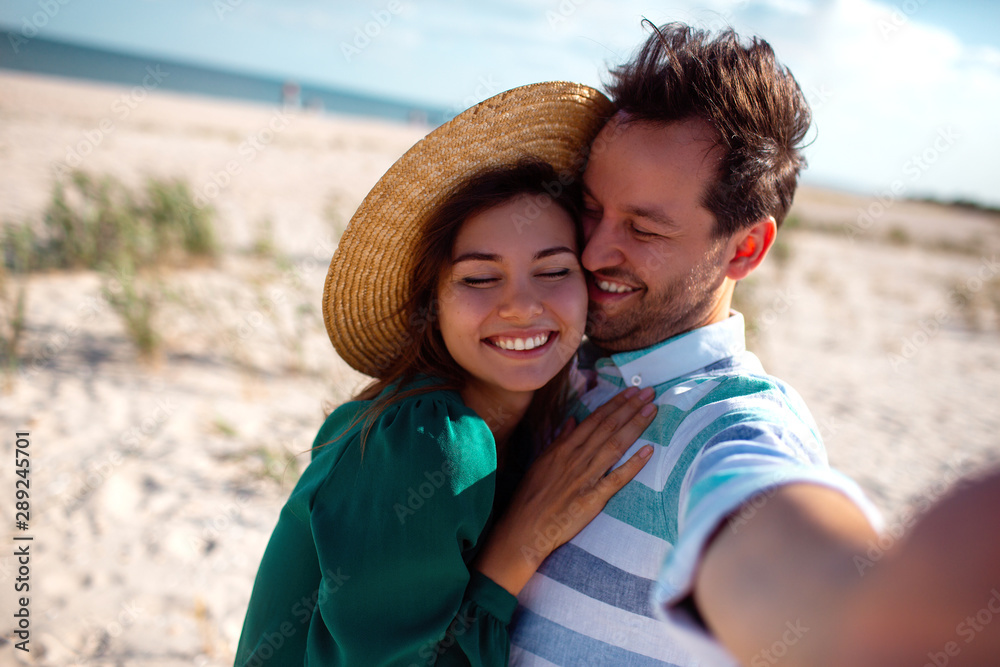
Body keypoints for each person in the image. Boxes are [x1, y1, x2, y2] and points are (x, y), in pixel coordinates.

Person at [508, 22, 1000, 667]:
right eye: (592, 208)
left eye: (646, 228)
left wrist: (868, 616)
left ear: (746, 248)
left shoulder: (726, 424)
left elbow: (766, 533)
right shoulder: (552, 362)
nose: (596, 249)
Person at [233, 82, 661, 667]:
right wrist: (520, 544)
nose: (521, 306)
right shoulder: (430, 441)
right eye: (479, 279)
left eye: (553, 270)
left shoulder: (536, 418)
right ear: (431, 301)